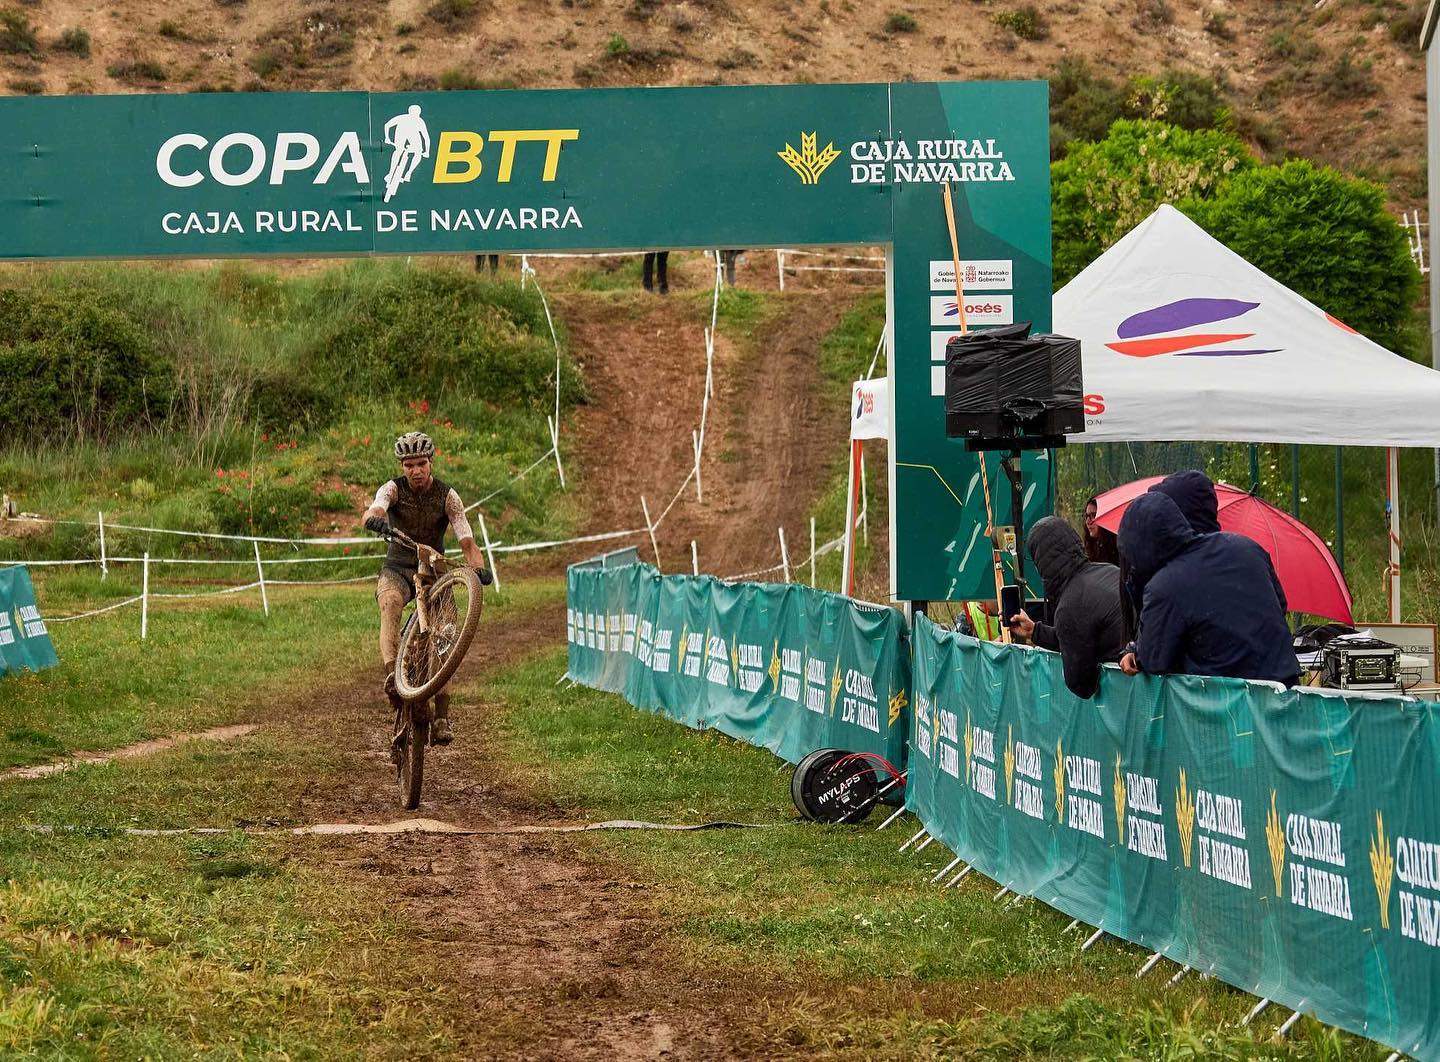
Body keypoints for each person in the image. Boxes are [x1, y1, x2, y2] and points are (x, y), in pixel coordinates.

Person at [362, 431, 491, 746]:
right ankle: (393, 677)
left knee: (445, 633)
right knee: (390, 603)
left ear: (431, 462)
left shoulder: (448, 496)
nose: (415, 470)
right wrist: (374, 519)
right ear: (402, 466)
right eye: (408, 464)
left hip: (436, 571)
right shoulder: (393, 488)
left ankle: (443, 716)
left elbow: (467, 540)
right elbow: (377, 507)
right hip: (398, 567)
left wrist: (479, 568)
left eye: (420, 463)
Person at [1117, 492, 1299, 687]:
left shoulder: (1163, 587)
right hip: (1286, 690)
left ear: (1137, 547)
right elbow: (1280, 605)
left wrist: (1135, 651)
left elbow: (1154, 659)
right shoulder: (1246, 547)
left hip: (1227, 701)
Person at [1008, 516, 1127, 699]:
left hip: (1133, 699)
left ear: (1041, 562)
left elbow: (1082, 685)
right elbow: (1078, 637)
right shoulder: (1108, 570)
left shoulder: (1069, 606)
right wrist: (1034, 631)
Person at [1082, 495, 1120, 565]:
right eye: (1086, 516)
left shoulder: (1120, 549)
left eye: (1093, 515)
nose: (1088, 522)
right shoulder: (1088, 549)